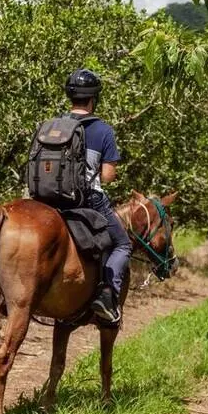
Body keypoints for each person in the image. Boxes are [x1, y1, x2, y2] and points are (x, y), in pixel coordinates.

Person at [64, 69, 133, 326]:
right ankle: (106, 295)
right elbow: (107, 177)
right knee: (123, 245)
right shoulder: (103, 130)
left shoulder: (56, 124)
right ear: (93, 99)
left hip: (52, 198)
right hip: (88, 199)